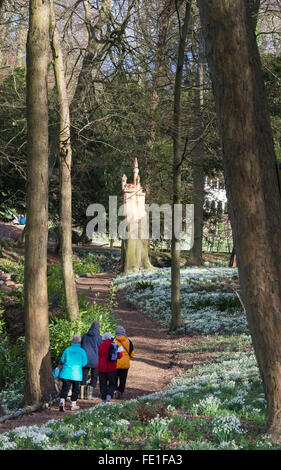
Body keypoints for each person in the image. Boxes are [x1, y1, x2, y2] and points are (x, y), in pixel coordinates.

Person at [58, 334, 88, 412]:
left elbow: (62, 360)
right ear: (80, 341)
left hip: (66, 373)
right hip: (76, 374)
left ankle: (62, 401)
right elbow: (84, 363)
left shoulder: (67, 349)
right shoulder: (82, 351)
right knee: (76, 389)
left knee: (65, 388)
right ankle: (73, 405)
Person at [98, 332, 123, 404]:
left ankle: (103, 400)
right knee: (112, 384)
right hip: (111, 368)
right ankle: (109, 396)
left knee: (103, 384)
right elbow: (119, 356)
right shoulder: (114, 345)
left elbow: (99, 354)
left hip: (101, 368)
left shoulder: (101, 345)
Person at [81, 321, 102, 399]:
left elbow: (81, 346)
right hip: (96, 361)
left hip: (85, 360)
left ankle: (82, 394)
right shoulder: (99, 337)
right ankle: (89, 395)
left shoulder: (84, 336)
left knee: (84, 375)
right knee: (94, 376)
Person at [114, 326, 135, 399]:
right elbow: (132, 354)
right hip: (125, 364)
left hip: (115, 364)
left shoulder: (113, 341)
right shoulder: (129, 341)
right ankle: (120, 391)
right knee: (123, 379)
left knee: (114, 379)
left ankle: (114, 390)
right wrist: (127, 358)